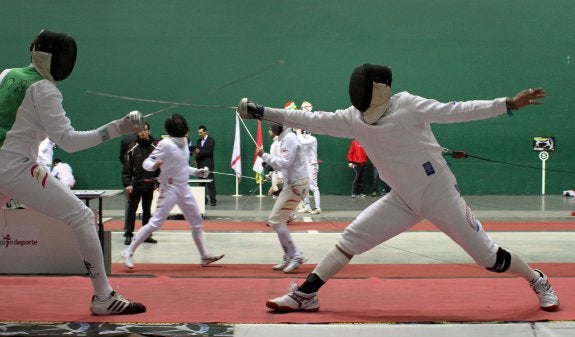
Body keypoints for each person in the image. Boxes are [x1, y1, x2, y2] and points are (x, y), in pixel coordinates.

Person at [238, 63, 559, 312]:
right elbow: (312, 119)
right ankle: (306, 295)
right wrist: (262, 113)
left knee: (489, 258)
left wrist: (507, 104)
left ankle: (537, 279)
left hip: (439, 193)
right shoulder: (352, 118)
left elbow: (457, 110)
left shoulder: (408, 105)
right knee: (349, 241)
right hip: (402, 199)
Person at [0, 30, 146, 315]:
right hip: (14, 167)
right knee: (81, 216)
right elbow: (68, 141)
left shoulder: (6, 74)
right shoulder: (45, 90)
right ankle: (104, 296)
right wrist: (117, 128)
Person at [121, 114, 225, 269]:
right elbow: (146, 162)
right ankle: (128, 252)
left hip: (184, 187)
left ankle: (204, 256)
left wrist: (197, 172)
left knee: (196, 222)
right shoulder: (166, 144)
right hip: (169, 188)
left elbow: (182, 167)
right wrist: (154, 165)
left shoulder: (184, 143)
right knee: (155, 223)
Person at [257, 122, 309, 273]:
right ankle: (289, 255)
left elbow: (285, 163)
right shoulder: (286, 138)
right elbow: (285, 163)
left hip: (296, 185)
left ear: (281, 126)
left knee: (275, 220)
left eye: (272, 125)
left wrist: (264, 155)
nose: (270, 128)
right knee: (276, 221)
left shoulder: (290, 139)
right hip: (292, 184)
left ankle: (296, 255)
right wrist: (270, 166)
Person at [122, 122, 159, 245]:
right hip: (135, 185)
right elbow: (126, 167)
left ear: (149, 131)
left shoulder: (155, 148)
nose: (142, 132)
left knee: (147, 211)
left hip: (149, 185)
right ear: (137, 132)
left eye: (145, 130)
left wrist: (158, 182)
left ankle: (146, 235)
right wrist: (127, 184)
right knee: (132, 210)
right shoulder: (132, 147)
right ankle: (128, 234)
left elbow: (159, 167)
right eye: (140, 130)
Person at [295, 101, 322, 214]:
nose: (304, 132)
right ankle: (307, 206)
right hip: (304, 165)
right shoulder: (303, 136)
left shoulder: (312, 139)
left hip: (312, 165)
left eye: (305, 131)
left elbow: (301, 141)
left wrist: (297, 131)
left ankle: (318, 208)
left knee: (313, 186)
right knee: (303, 186)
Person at [193, 125, 217, 206]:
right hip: (200, 165)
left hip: (208, 165)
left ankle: (213, 200)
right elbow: (197, 152)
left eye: (201, 132)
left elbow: (209, 152)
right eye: (199, 133)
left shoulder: (211, 140)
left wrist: (199, 152)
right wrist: (196, 160)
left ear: (205, 131)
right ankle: (204, 200)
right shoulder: (198, 141)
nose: (200, 134)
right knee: (201, 184)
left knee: (210, 184)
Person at [266, 125, 284, 198]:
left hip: (279, 173)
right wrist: (270, 174)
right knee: (271, 193)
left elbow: (280, 159)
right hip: (275, 173)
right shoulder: (274, 143)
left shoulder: (278, 143)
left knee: (275, 194)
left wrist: (280, 174)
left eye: (270, 129)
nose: (268, 131)